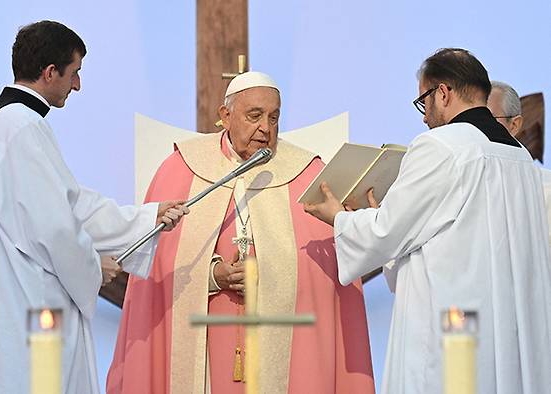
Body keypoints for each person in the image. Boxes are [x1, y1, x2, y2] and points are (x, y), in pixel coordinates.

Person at [0, 20, 188, 394]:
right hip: (29, 307)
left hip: (3, 302)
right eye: (74, 73)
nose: (77, 85)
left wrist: (146, 217)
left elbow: (68, 202)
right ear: (49, 72)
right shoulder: (21, 127)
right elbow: (54, 228)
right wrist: (93, 267)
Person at [107, 71, 374, 394]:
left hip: (284, 344)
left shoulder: (307, 173)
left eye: (274, 117)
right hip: (205, 339)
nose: (266, 128)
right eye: (254, 116)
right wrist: (213, 275)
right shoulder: (181, 167)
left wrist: (272, 273)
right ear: (225, 115)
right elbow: (158, 261)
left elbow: (328, 272)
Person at [304, 48, 551, 393]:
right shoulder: (520, 157)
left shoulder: (440, 146)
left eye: (424, 101)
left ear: (444, 93)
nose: (423, 117)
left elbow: (385, 233)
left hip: (453, 331)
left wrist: (341, 219)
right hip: (507, 330)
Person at [487, 80, 551, 245]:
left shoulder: (546, 190)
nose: (477, 129)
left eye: (487, 119)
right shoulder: (461, 180)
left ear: (514, 125)